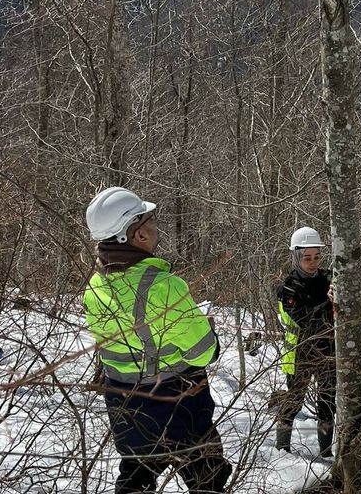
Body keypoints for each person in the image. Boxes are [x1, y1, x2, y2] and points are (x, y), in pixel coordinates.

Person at [83, 187, 232, 493]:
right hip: (177, 404)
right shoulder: (164, 286)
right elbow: (203, 354)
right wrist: (205, 330)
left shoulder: (95, 285)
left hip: (125, 407)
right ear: (137, 234)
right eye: (148, 219)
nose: (154, 225)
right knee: (209, 477)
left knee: (135, 481)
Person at [275, 227, 336, 457]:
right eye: (307, 258)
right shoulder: (288, 288)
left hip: (328, 350)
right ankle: (282, 450)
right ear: (296, 257)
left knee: (328, 403)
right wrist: (328, 304)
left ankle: (327, 453)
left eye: (317, 257)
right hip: (300, 352)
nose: (313, 262)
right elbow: (304, 319)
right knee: (294, 401)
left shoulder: (328, 278)